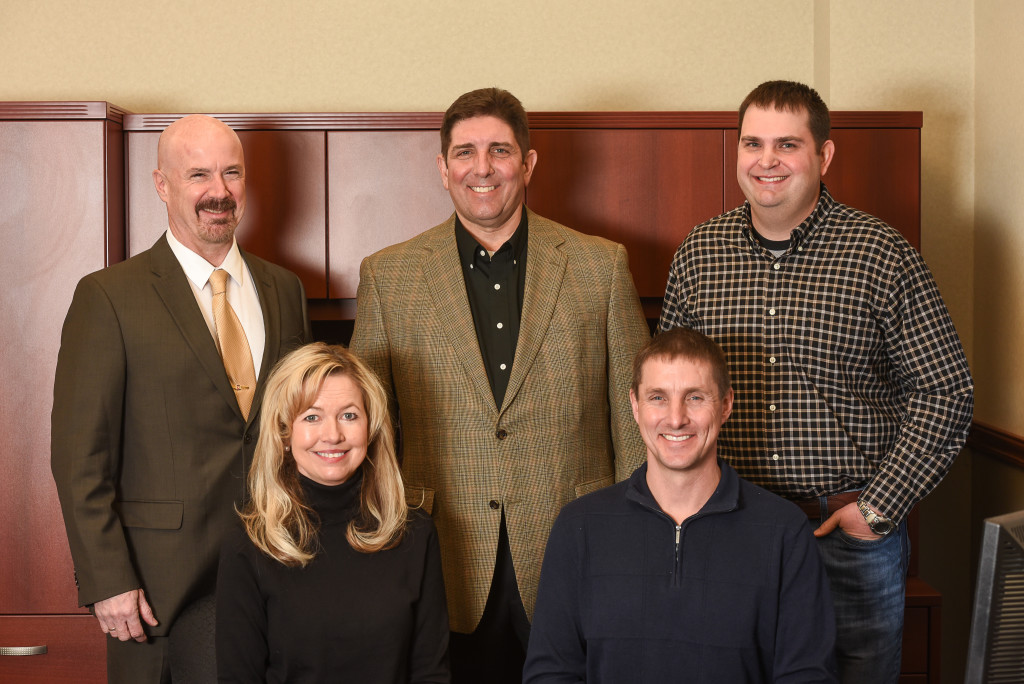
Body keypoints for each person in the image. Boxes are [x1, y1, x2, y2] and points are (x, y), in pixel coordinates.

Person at [658, 80, 974, 683]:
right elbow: (670, 390)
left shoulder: (881, 253)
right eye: (753, 143)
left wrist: (877, 508)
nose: (766, 161)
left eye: (787, 144)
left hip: (848, 538)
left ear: (824, 156)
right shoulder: (701, 253)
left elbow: (946, 391)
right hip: (727, 527)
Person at [350, 87, 650, 683]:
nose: (481, 168)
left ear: (528, 162)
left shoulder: (600, 266)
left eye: (499, 150)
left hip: (578, 545)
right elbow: (366, 427)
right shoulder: (390, 275)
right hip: (442, 555)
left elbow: (632, 416)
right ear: (442, 168)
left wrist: (634, 540)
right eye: (464, 152)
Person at [50, 114, 311, 683]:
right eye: (198, 175)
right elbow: (79, 459)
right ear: (162, 185)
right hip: (156, 591)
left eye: (231, 173)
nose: (219, 191)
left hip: (277, 575)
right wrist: (108, 578)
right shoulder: (109, 297)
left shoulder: (284, 289)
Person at [524, 327, 837, 683]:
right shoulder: (578, 526)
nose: (675, 418)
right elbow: (551, 673)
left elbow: (807, 676)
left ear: (725, 405)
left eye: (695, 397)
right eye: (658, 397)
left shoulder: (785, 531)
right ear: (634, 405)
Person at [216, 343, 450, 683]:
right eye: (312, 416)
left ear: (370, 429)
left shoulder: (415, 532)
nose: (333, 435)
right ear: (284, 433)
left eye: (349, 415)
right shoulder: (249, 543)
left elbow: (431, 674)